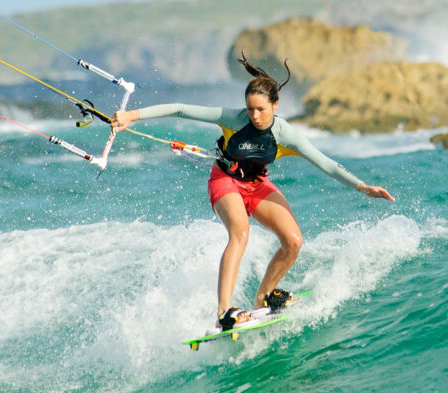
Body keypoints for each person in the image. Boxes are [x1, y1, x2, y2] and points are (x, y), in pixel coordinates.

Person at [111, 53, 395, 331]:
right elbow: (181, 108)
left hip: (257, 185)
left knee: (293, 241)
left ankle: (264, 296)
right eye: (250, 109)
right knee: (240, 232)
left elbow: (324, 162)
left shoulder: (284, 134)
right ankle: (224, 311)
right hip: (224, 180)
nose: (255, 116)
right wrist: (131, 116)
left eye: (261, 109)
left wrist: (363, 187)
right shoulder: (234, 120)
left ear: (276, 104)